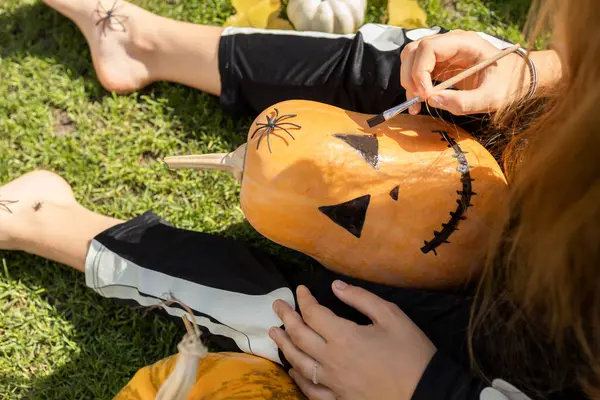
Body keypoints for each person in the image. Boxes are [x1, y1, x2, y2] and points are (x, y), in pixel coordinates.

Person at [1, 0, 595, 398]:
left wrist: (425, 388)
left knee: (316, 323)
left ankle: (42, 221)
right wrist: (544, 74)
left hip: (540, 351)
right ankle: (144, 42)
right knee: (421, 68)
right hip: (553, 172)